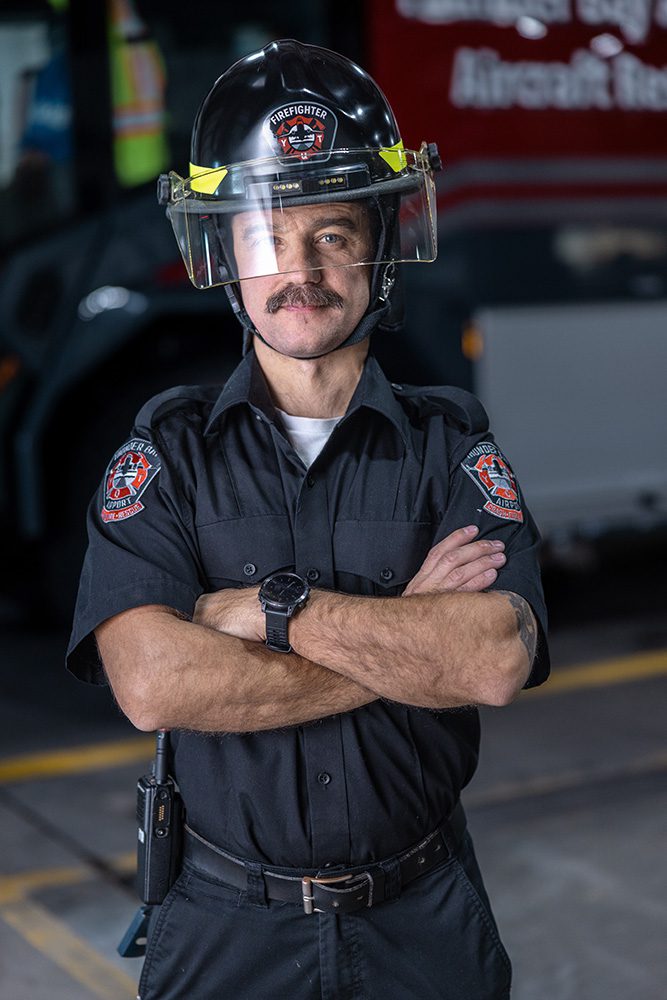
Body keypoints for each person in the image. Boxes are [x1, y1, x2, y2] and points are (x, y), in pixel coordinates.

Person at [67, 39, 549, 1000]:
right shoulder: (165, 455)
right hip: (223, 931)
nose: (302, 271)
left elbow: (491, 658)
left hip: (426, 926)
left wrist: (266, 608)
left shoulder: (451, 444)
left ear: (380, 246)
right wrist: (404, 638)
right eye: (266, 239)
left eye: (332, 234)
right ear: (225, 257)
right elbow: (153, 682)